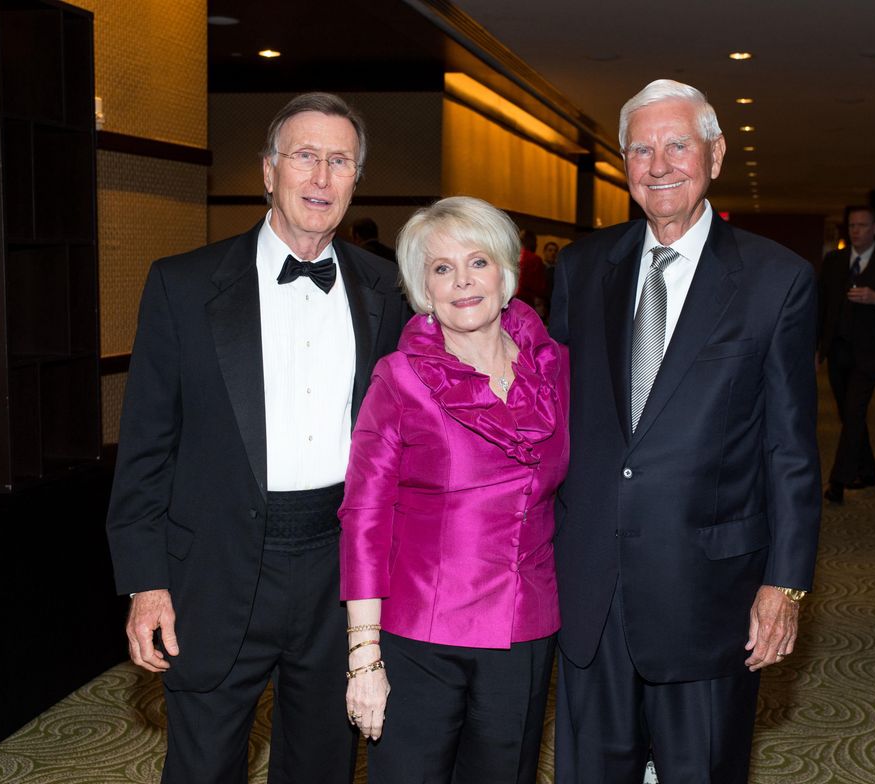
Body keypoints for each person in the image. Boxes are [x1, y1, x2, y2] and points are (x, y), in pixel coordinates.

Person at [105, 92, 408, 784]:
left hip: (340, 572)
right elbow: (147, 446)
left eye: (340, 161)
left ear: (357, 178)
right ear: (268, 170)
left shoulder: (387, 290)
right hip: (214, 565)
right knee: (203, 764)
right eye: (305, 157)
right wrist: (146, 582)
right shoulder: (182, 285)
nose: (322, 179)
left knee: (323, 762)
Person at [550, 79, 821, 783]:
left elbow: (789, 447)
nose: (660, 163)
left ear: (716, 154)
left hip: (710, 591)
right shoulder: (582, 268)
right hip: (591, 587)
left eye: (678, 145)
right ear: (624, 164)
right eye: (642, 149)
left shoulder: (775, 279)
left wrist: (784, 585)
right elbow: (553, 417)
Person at [339, 196, 569, 783]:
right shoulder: (400, 378)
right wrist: (364, 654)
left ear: (505, 271)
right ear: (422, 286)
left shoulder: (556, 368)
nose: (463, 282)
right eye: (442, 269)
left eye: (478, 262)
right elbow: (365, 516)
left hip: (525, 631)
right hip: (421, 635)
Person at [817, 206, 875, 503]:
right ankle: (868, 470)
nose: (856, 230)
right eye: (852, 225)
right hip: (838, 350)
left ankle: (838, 481)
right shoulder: (834, 261)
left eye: (862, 225)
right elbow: (822, 306)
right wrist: (817, 348)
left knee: (855, 412)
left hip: (870, 352)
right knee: (849, 414)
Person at [516, 228, 549, 316]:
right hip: (527, 305)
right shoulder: (535, 259)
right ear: (531, 241)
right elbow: (539, 288)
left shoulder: (511, 256)